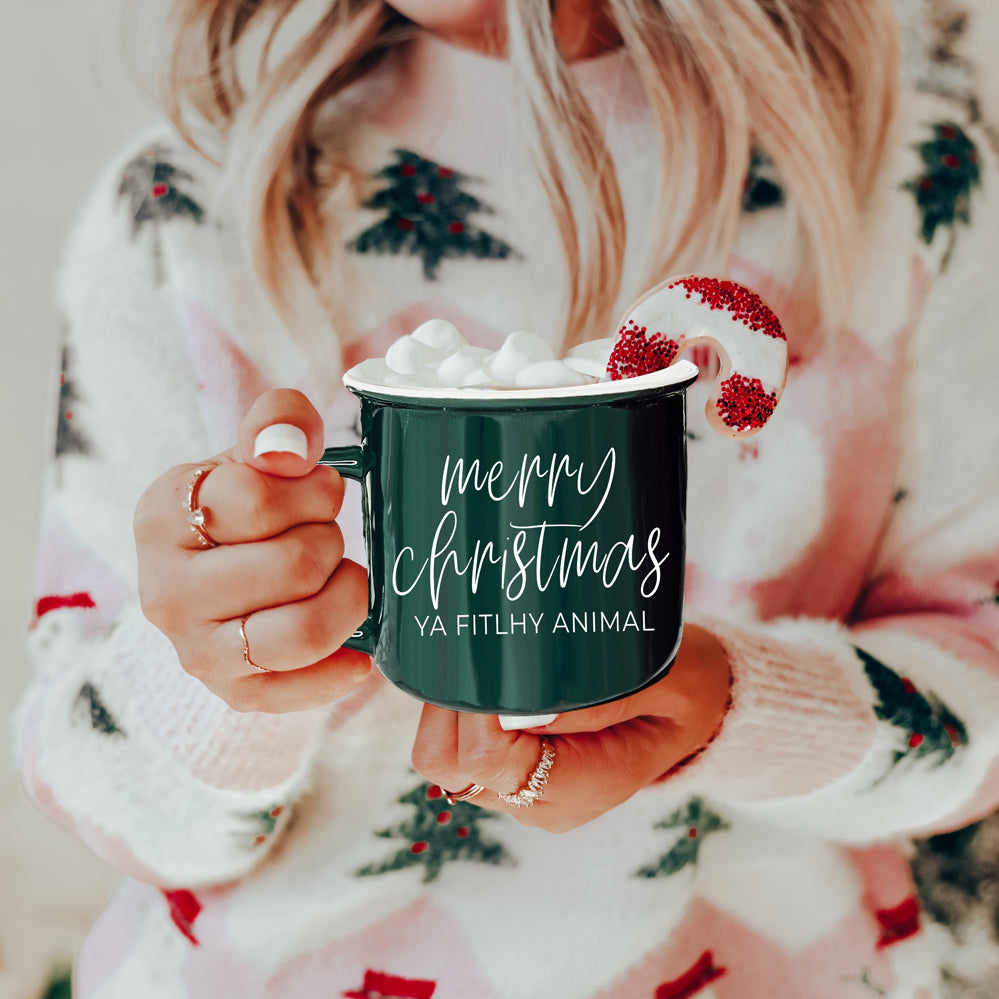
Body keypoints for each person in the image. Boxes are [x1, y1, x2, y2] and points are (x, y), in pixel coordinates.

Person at [14, 0, 999, 995]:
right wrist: (216, 682)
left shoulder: (913, 184)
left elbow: (982, 701)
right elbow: (95, 789)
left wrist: (731, 710)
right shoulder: (185, 208)